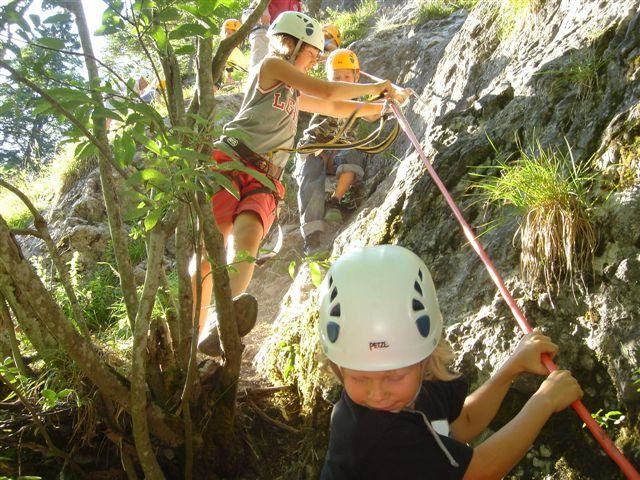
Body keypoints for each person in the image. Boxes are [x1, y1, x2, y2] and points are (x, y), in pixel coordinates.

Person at [194, 12, 411, 356]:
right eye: (312, 54)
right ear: (292, 45)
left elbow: (332, 104)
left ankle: (222, 323)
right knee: (209, 252)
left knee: (247, 241)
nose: (314, 61)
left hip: (265, 177)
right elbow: (325, 89)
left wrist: (382, 107)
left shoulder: (294, 91)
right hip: (234, 161)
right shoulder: (271, 67)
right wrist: (376, 87)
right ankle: (191, 331)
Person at [318, 244, 584, 479]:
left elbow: (462, 424)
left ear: (426, 359)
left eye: (394, 377)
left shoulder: (422, 387)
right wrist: (544, 401)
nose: (377, 394)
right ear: (338, 368)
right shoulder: (370, 434)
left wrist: (511, 368)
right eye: (359, 378)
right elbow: (483, 471)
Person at [294, 48, 374, 256]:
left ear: (357, 76)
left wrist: (390, 100)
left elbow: (373, 115)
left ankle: (335, 201)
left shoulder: (358, 100)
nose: (342, 81)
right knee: (310, 174)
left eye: (347, 76)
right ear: (329, 80)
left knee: (354, 152)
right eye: (336, 77)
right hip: (313, 148)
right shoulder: (325, 97)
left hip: (339, 151)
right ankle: (311, 236)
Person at [215, 19, 249, 91]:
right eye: (226, 32)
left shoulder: (233, 49)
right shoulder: (226, 47)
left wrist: (229, 76)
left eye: (230, 33)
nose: (227, 35)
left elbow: (229, 63)